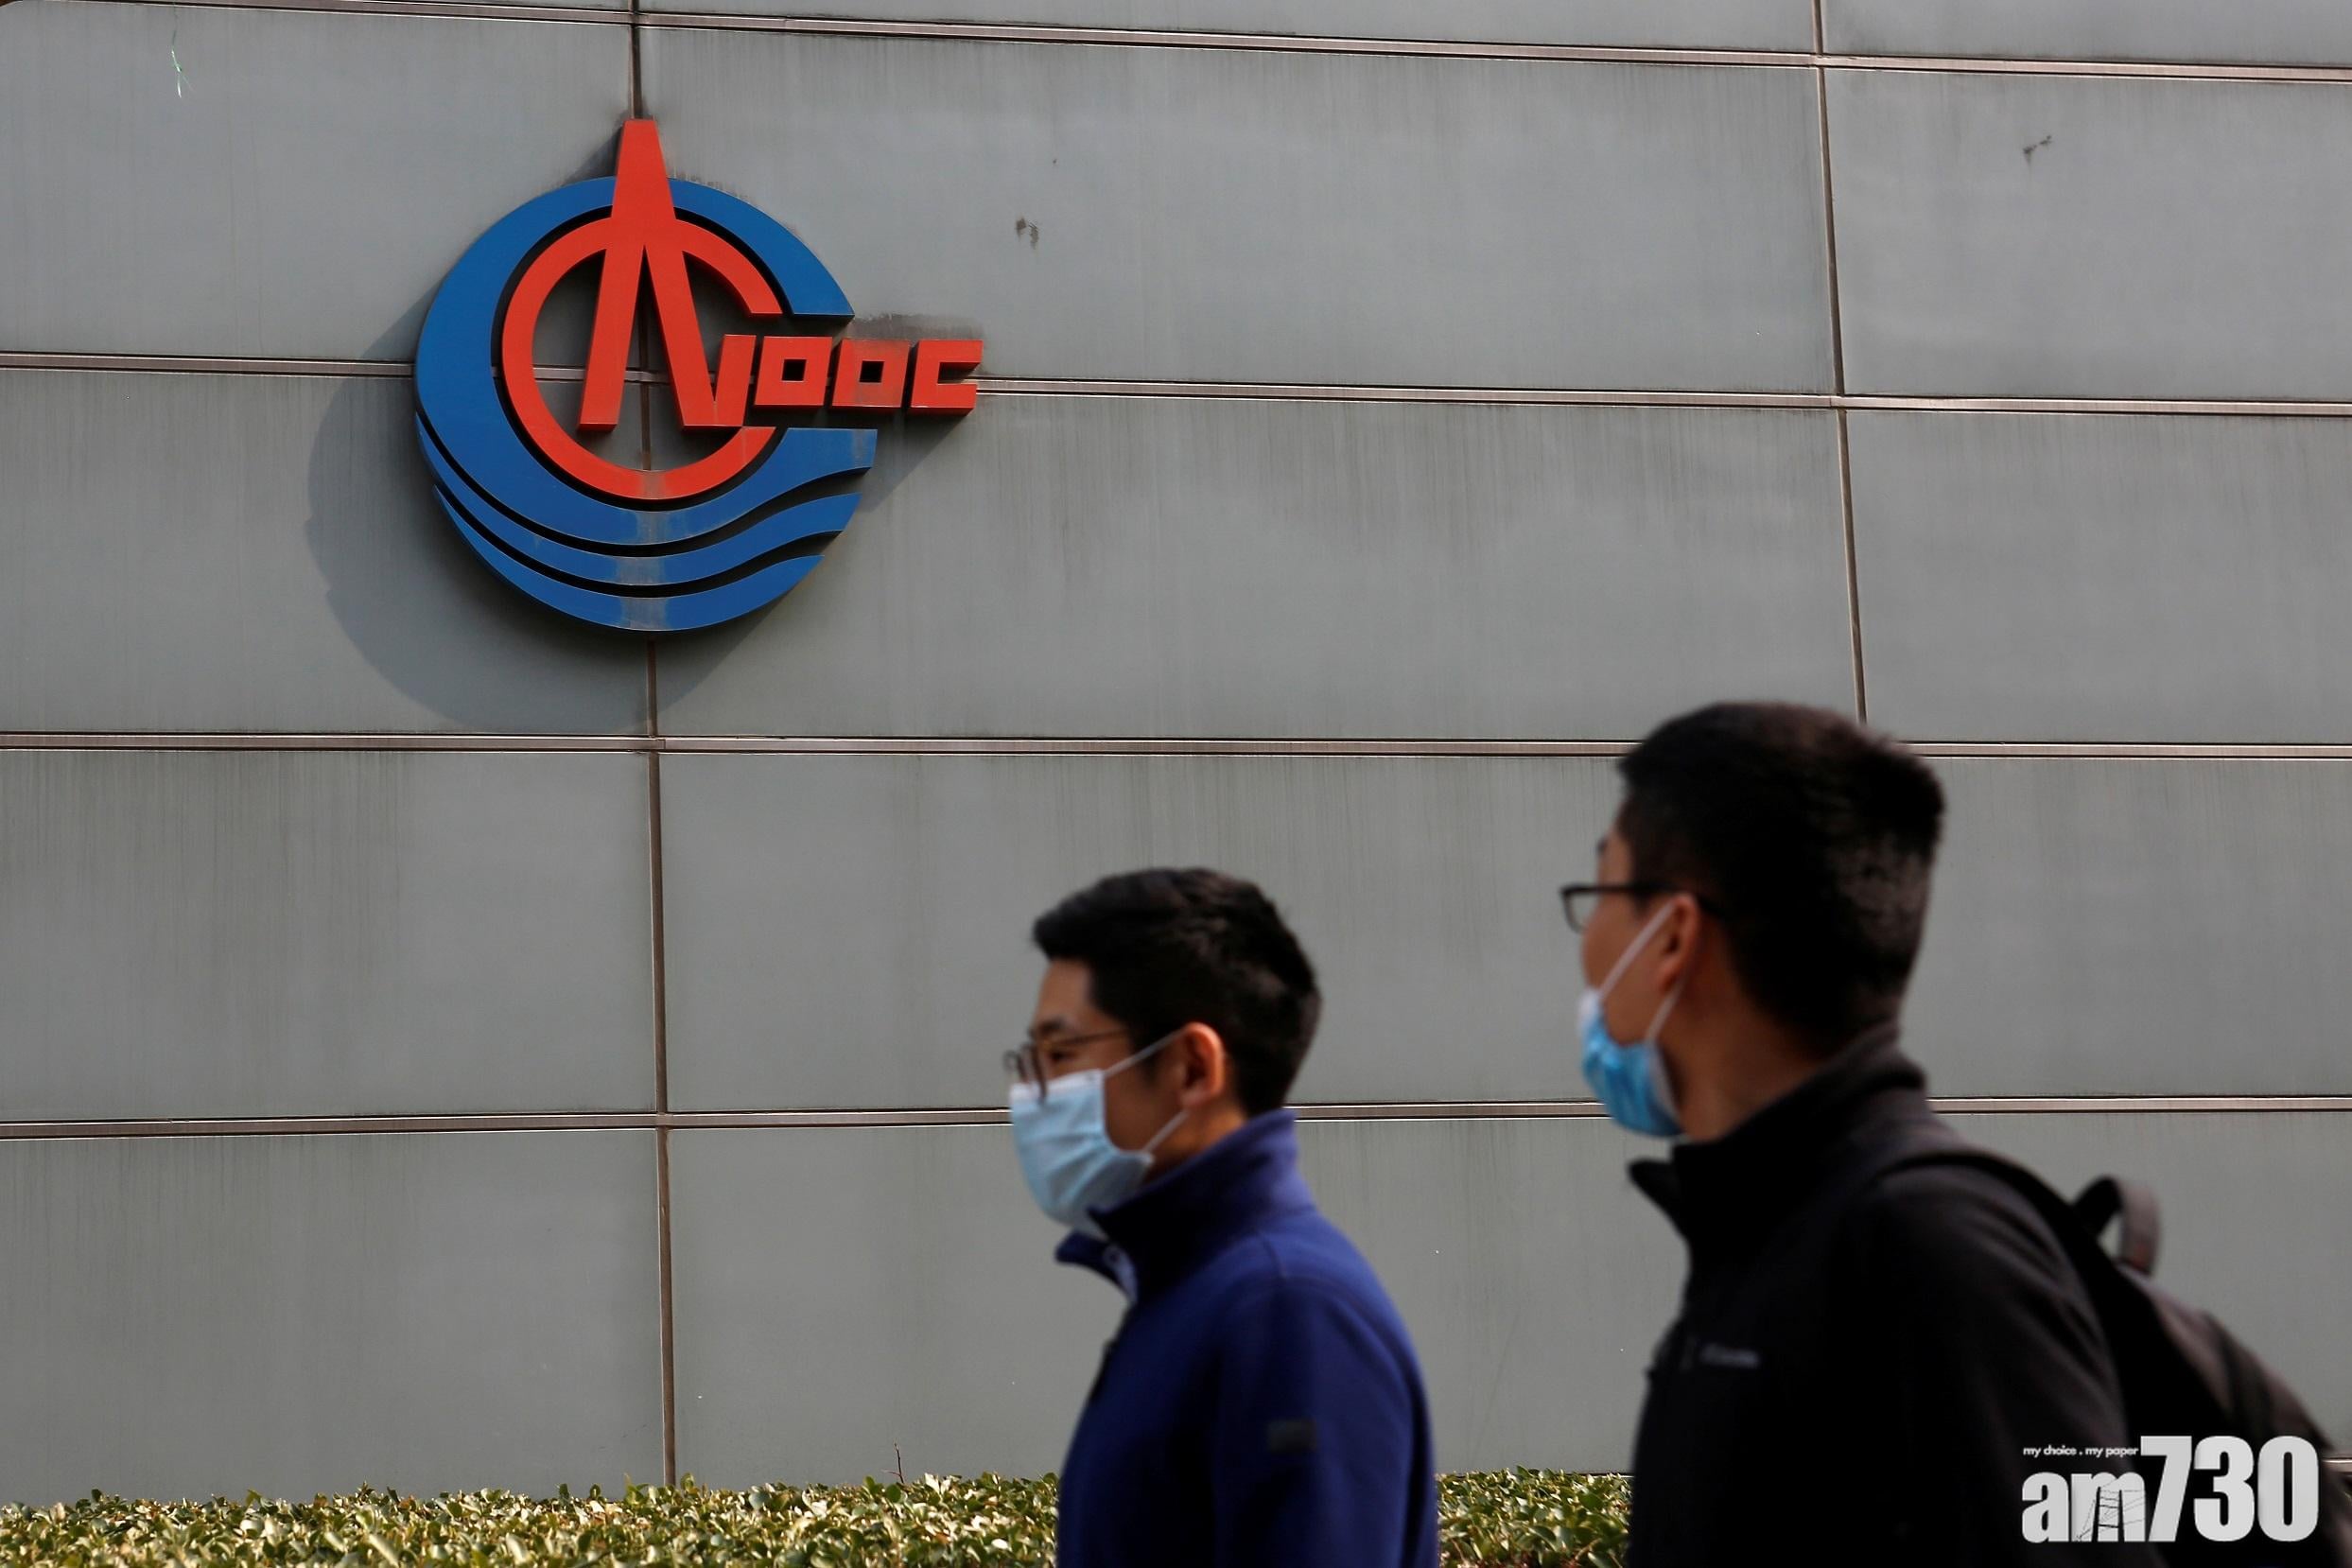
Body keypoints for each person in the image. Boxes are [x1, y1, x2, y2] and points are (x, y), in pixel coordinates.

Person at [1566, 702, 2161, 1566]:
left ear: (1672, 936)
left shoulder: (1936, 1250)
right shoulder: (1768, 1236)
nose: (1586, 946)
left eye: (1600, 894)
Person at [1007, 867, 1438, 1568]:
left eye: (1060, 1055)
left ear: (1191, 1068)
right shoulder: (1195, 1293)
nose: (1033, 1093)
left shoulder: (1288, 1311)